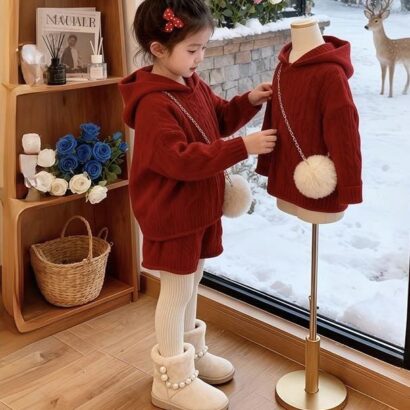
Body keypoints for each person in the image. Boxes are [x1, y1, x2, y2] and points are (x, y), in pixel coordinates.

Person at [119, 1, 277, 409]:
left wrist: (249, 100)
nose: (200, 57)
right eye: (193, 49)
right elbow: (180, 159)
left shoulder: (190, 83)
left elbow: (219, 118)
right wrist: (242, 147)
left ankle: (190, 356)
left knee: (193, 282)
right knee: (176, 290)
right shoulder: (154, 104)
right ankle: (171, 380)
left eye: (203, 47)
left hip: (197, 209)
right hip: (172, 214)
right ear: (158, 49)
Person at [256, 19, 362, 225]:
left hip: (320, 188)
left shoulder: (331, 73)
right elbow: (273, 121)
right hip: (285, 180)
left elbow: (345, 135)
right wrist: (267, 164)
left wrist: (350, 186)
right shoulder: (282, 68)